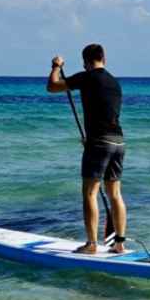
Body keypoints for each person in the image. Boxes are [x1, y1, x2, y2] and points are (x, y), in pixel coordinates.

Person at [46, 43, 127, 254]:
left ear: (85, 62)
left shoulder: (87, 77)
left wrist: (56, 66)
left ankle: (91, 244)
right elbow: (104, 109)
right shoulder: (114, 82)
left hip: (99, 143)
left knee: (90, 193)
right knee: (115, 194)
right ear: (104, 59)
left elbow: (53, 86)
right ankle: (119, 244)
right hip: (118, 141)